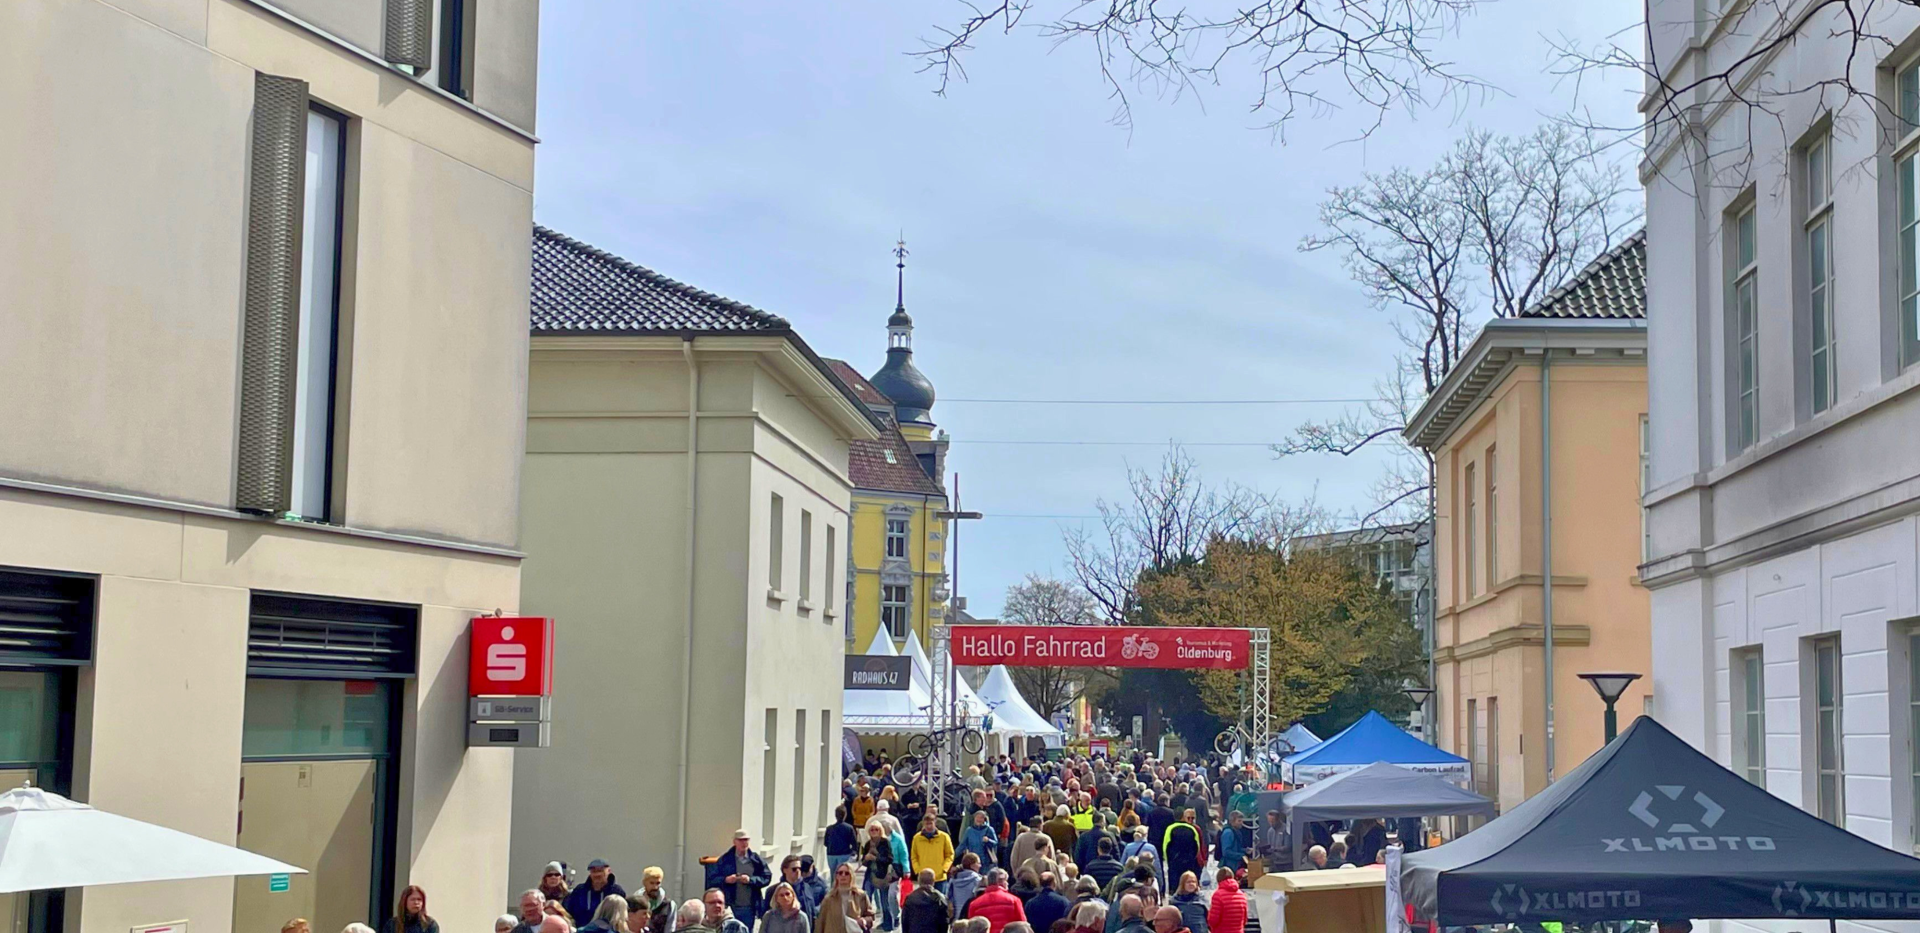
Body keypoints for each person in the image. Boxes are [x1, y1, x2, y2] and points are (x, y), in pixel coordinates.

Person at [710, 831, 774, 930]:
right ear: (734, 842)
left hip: (749, 906)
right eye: (741, 840)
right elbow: (712, 879)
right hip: (730, 906)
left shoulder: (755, 860)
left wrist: (751, 880)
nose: (744, 843)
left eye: (746, 840)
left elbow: (766, 877)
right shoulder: (725, 859)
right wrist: (726, 880)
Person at [863, 821, 903, 933]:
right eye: (872, 830)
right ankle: (866, 923)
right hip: (870, 875)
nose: (874, 832)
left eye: (876, 829)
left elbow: (889, 859)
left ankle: (888, 924)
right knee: (865, 898)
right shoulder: (867, 844)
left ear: (880, 830)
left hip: (883, 875)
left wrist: (876, 858)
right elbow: (863, 862)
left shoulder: (885, 843)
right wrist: (866, 858)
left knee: (884, 901)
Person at [569, 861, 630, 926]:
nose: (597, 874)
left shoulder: (616, 891)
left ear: (609, 871)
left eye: (600, 871)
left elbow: (623, 915)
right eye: (593, 871)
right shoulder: (579, 891)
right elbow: (569, 912)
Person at [818, 863, 874, 933]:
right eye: (840, 873)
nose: (843, 875)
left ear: (852, 876)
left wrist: (864, 920)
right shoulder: (829, 899)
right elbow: (820, 923)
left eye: (847, 873)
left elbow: (871, 917)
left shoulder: (861, 896)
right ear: (836, 876)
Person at [911, 814, 956, 889]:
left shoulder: (944, 837)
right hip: (924, 878)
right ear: (923, 824)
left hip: (940, 877)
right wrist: (918, 870)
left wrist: (944, 869)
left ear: (935, 822)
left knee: (941, 899)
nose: (928, 826)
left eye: (930, 823)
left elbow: (950, 854)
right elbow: (914, 856)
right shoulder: (916, 838)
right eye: (926, 824)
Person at [1159, 817, 1201, 889]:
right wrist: (1193, 858)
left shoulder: (1170, 828)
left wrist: (1167, 859)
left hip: (1174, 861)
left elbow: (1165, 845)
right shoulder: (1192, 829)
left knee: (1174, 883)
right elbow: (1197, 846)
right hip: (1189, 861)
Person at [631, 868, 674, 933]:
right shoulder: (634, 903)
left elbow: (670, 929)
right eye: (652, 883)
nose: (655, 887)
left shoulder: (669, 905)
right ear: (644, 883)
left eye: (658, 883)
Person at [949, 852, 985, 919]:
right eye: (978, 863)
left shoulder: (953, 879)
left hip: (956, 917)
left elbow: (949, 898)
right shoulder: (978, 880)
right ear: (972, 865)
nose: (980, 865)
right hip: (971, 916)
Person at [827, 807, 861, 874]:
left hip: (831, 854)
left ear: (835, 815)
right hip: (844, 854)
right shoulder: (849, 828)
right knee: (843, 874)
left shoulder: (829, 829)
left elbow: (826, 843)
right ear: (845, 815)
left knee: (833, 875)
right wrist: (852, 852)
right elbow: (854, 843)